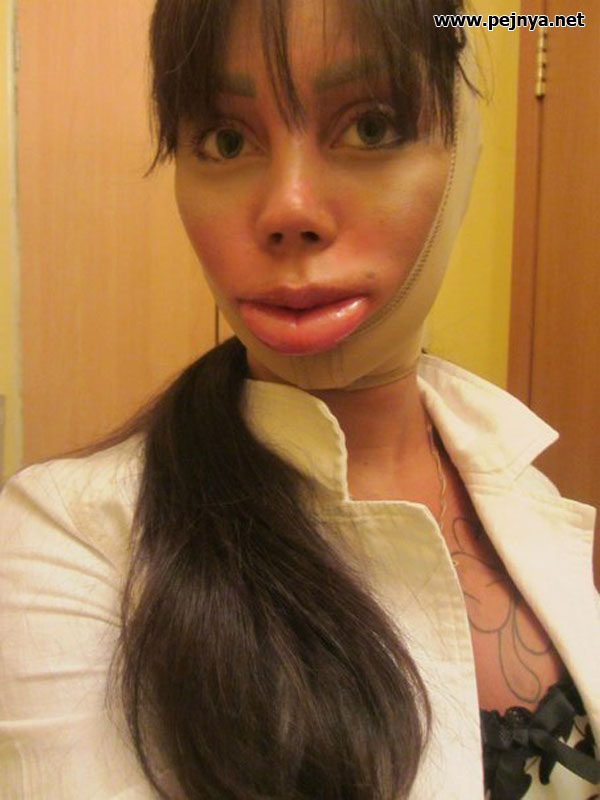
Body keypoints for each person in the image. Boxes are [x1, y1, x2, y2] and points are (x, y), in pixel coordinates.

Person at [1, 0, 599, 798]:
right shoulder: (70, 545)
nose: (287, 209)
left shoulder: (540, 503)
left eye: (372, 127)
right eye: (226, 139)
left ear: (463, 148)